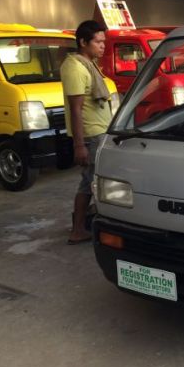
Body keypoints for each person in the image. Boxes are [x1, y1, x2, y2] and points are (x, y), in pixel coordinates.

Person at [60, 20, 112, 244]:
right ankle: (78, 229)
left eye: (103, 41)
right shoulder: (75, 67)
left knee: (94, 181)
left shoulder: (88, 64)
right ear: (83, 42)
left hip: (100, 132)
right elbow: (76, 108)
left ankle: (83, 224)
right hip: (91, 135)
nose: (102, 46)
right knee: (89, 182)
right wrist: (79, 145)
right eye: (98, 42)